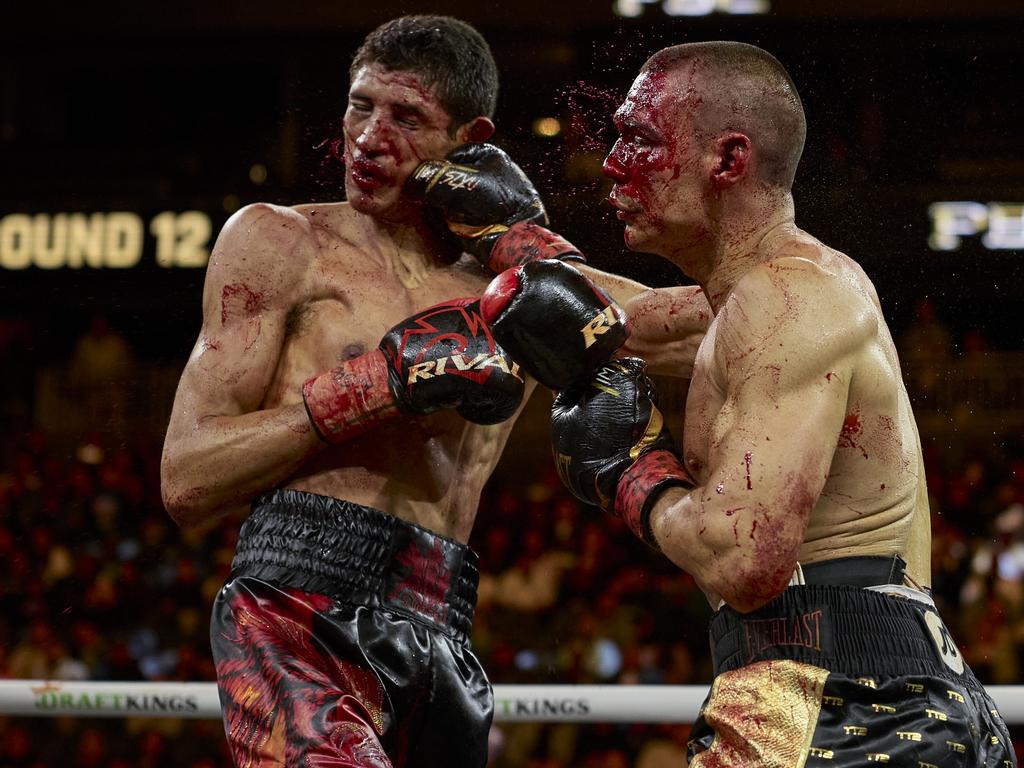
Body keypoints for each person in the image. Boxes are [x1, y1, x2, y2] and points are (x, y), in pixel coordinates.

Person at [160, 15, 709, 767]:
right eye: (360, 105)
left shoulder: (518, 289)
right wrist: (372, 387)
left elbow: (717, 329)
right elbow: (186, 478)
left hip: (441, 624)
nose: (368, 136)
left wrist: (534, 248)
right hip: (292, 608)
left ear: (470, 137)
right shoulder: (279, 244)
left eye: (405, 116)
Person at [536, 41, 1016, 766]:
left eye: (639, 138)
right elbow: (606, 319)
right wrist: (503, 241)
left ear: (727, 161)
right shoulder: (770, 298)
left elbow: (744, 557)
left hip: (833, 703)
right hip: (885, 698)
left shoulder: (784, 300)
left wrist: (632, 475)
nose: (612, 162)